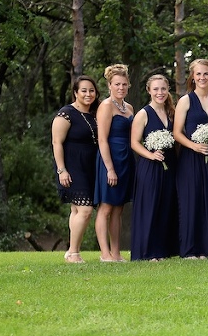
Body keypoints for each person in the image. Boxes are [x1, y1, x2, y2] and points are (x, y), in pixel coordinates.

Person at [173, 59, 208, 259]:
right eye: (198, 74)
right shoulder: (186, 100)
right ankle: (189, 249)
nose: (202, 77)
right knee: (191, 200)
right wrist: (194, 145)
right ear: (192, 77)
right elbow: (177, 133)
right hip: (190, 157)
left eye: (206, 74)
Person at [51, 75, 101, 263]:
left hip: (91, 166)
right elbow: (57, 142)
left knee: (77, 211)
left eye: (91, 90)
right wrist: (61, 170)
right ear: (75, 93)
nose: (88, 94)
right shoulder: (66, 113)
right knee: (86, 210)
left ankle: (72, 250)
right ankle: (73, 252)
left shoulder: (96, 113)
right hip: (72, 166)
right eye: (84, 90)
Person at [130, 74, 179, 261]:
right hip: (150, 166)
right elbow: (134, 142)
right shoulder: (143, 113)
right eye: (156, 89)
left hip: (170, 165)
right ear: (149, 91)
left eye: (163, 89)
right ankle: (147, 251)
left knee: (166, 206)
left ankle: (163, 250)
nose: (160, 93)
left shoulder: (170, 112)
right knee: (150, 206)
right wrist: (151, 155)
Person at [94, 64, 135, 263]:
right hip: (109, 159)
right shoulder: (105, 106)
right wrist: (109, 168)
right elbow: (102, 139)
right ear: (109, 85)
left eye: (124, 84)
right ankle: (104, 253)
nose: (121, 87)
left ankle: (116, 253)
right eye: (117, 84)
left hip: (126, 159)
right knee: (106, 207)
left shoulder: (129, 108)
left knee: (119, 208)